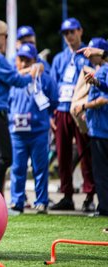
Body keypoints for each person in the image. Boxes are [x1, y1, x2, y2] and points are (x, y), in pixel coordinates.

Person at [0, 20, 42, 194]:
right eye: (6, 36)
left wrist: (25, 73)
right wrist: (32, 75)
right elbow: (16, 80)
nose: (6, 40)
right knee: (5, 159)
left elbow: (9, 75)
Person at [49, 18, 95, 211]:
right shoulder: (60, 58)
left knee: (85, 154)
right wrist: (51, 113)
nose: (69, 36)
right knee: (63, 155)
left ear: (80, 31)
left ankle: (89, 196)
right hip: (61, 109)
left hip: (80, 109)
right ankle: (67, 195)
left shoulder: (88, 54)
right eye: (65, 33)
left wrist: (87, 108)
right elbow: (52, 86)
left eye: (72, 32)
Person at [8, 43, 58, 214]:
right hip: (17, 132)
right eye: (21, 59)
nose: (24, 64)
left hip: (38, 131)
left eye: (28, 60)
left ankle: (42, 201)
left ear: (35, 60)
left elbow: (54, 101)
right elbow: (6, 103)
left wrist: (43, 118)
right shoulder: (13, 78)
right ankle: (17, 201)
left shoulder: (45, 79)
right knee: (17, 167)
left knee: (40, 168)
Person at [74, 38, 108, 217]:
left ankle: (104, 209)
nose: (87, 54)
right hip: (99, 127)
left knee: (101, 171)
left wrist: (84, 107)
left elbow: (105, 99)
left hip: (103, 128)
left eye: (91, 50)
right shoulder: (99, 71)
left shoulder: (105, 69)